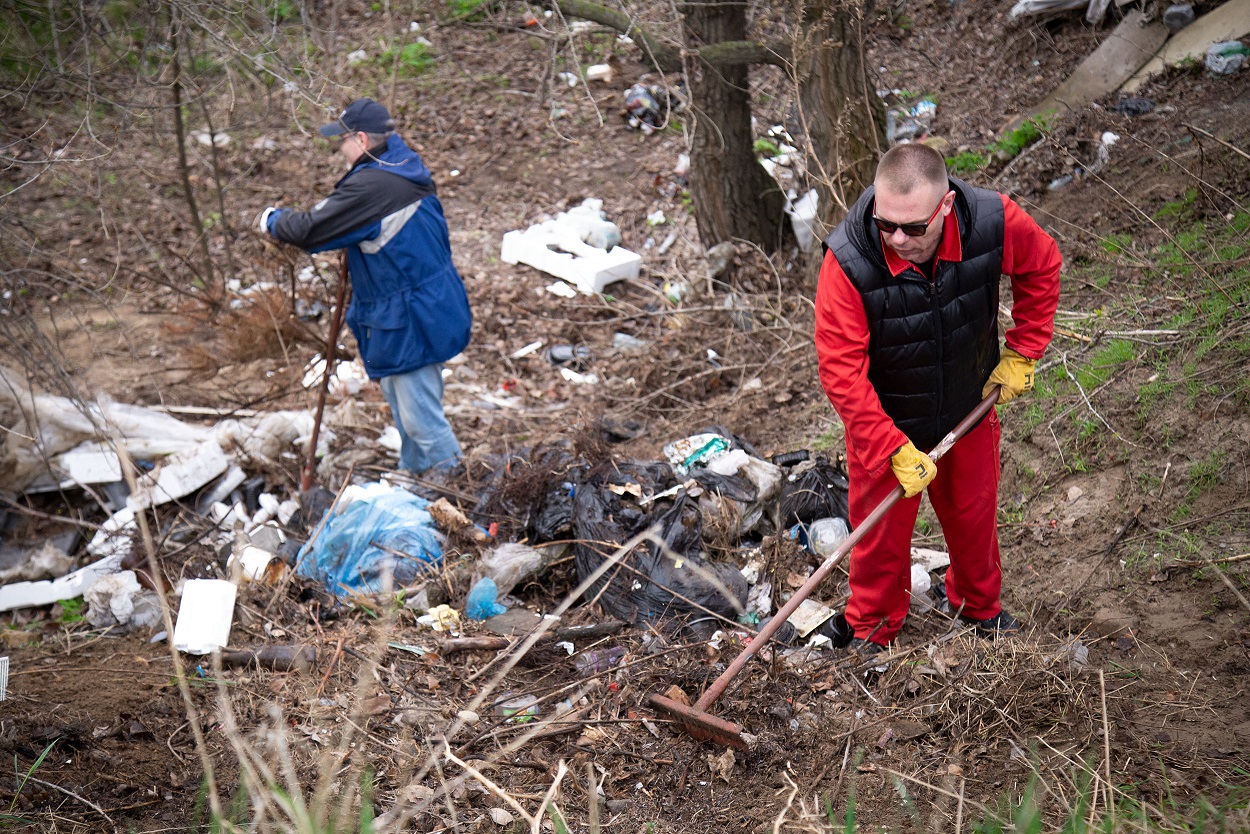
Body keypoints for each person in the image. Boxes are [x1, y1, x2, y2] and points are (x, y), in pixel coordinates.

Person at [814, 143, 1061, 656]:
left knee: (973, 513)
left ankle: (977, 607)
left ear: (946, 205)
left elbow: (1042, 266)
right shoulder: (848, 261)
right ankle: (873, 627)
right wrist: (889, 446)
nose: (898, 240)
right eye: (887, 225)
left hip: (968, 406)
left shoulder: (993, 222)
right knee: (879, 534)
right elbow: (841, 371)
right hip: (886, 420)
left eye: (913, 228)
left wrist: (1024, 349)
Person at [258, 98, 472, 475]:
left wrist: (271, 220)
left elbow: (311, 229)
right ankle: (415, 483)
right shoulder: (400, 167)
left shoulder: (373, 187)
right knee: (408, 414)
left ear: (360, 139)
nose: (339, 149)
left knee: (422, 420)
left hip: (411, 319)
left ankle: (462, 490)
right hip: (420, 308)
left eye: (341, 140)